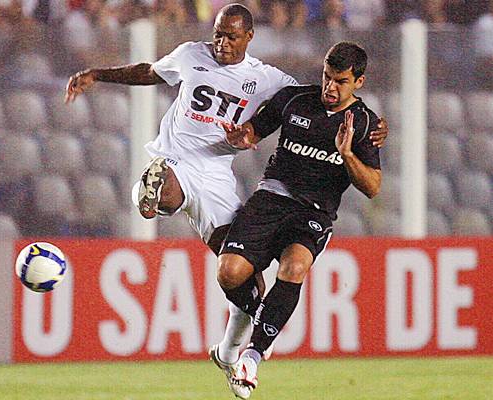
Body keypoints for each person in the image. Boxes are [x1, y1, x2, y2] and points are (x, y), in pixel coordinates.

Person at [65, 4, 387, 390]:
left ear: (249, 37)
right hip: (177, 159)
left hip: (217, 176)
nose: (222, 42)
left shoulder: (268, 80)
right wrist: (97, 75)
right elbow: (150, 72)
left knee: (237, 272)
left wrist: (375, 126)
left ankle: (231, 350)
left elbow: (309, 100)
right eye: (218, 33)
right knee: (162, 192)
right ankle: (147, 194)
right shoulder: (190, 55)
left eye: (231, 36)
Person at [214, 41, 382, 399]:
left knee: (295, 267)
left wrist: (347, 154)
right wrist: (240, 137)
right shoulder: (295, 100)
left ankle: (252, 358)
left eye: (340, 81)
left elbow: (372, 187)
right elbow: (254, 131)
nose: (330, 88)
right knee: (228, 272)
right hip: (271, 197)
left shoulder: (365, 123)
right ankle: (265, 323)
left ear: (359, 82)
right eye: (326, 77)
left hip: (314, 213)